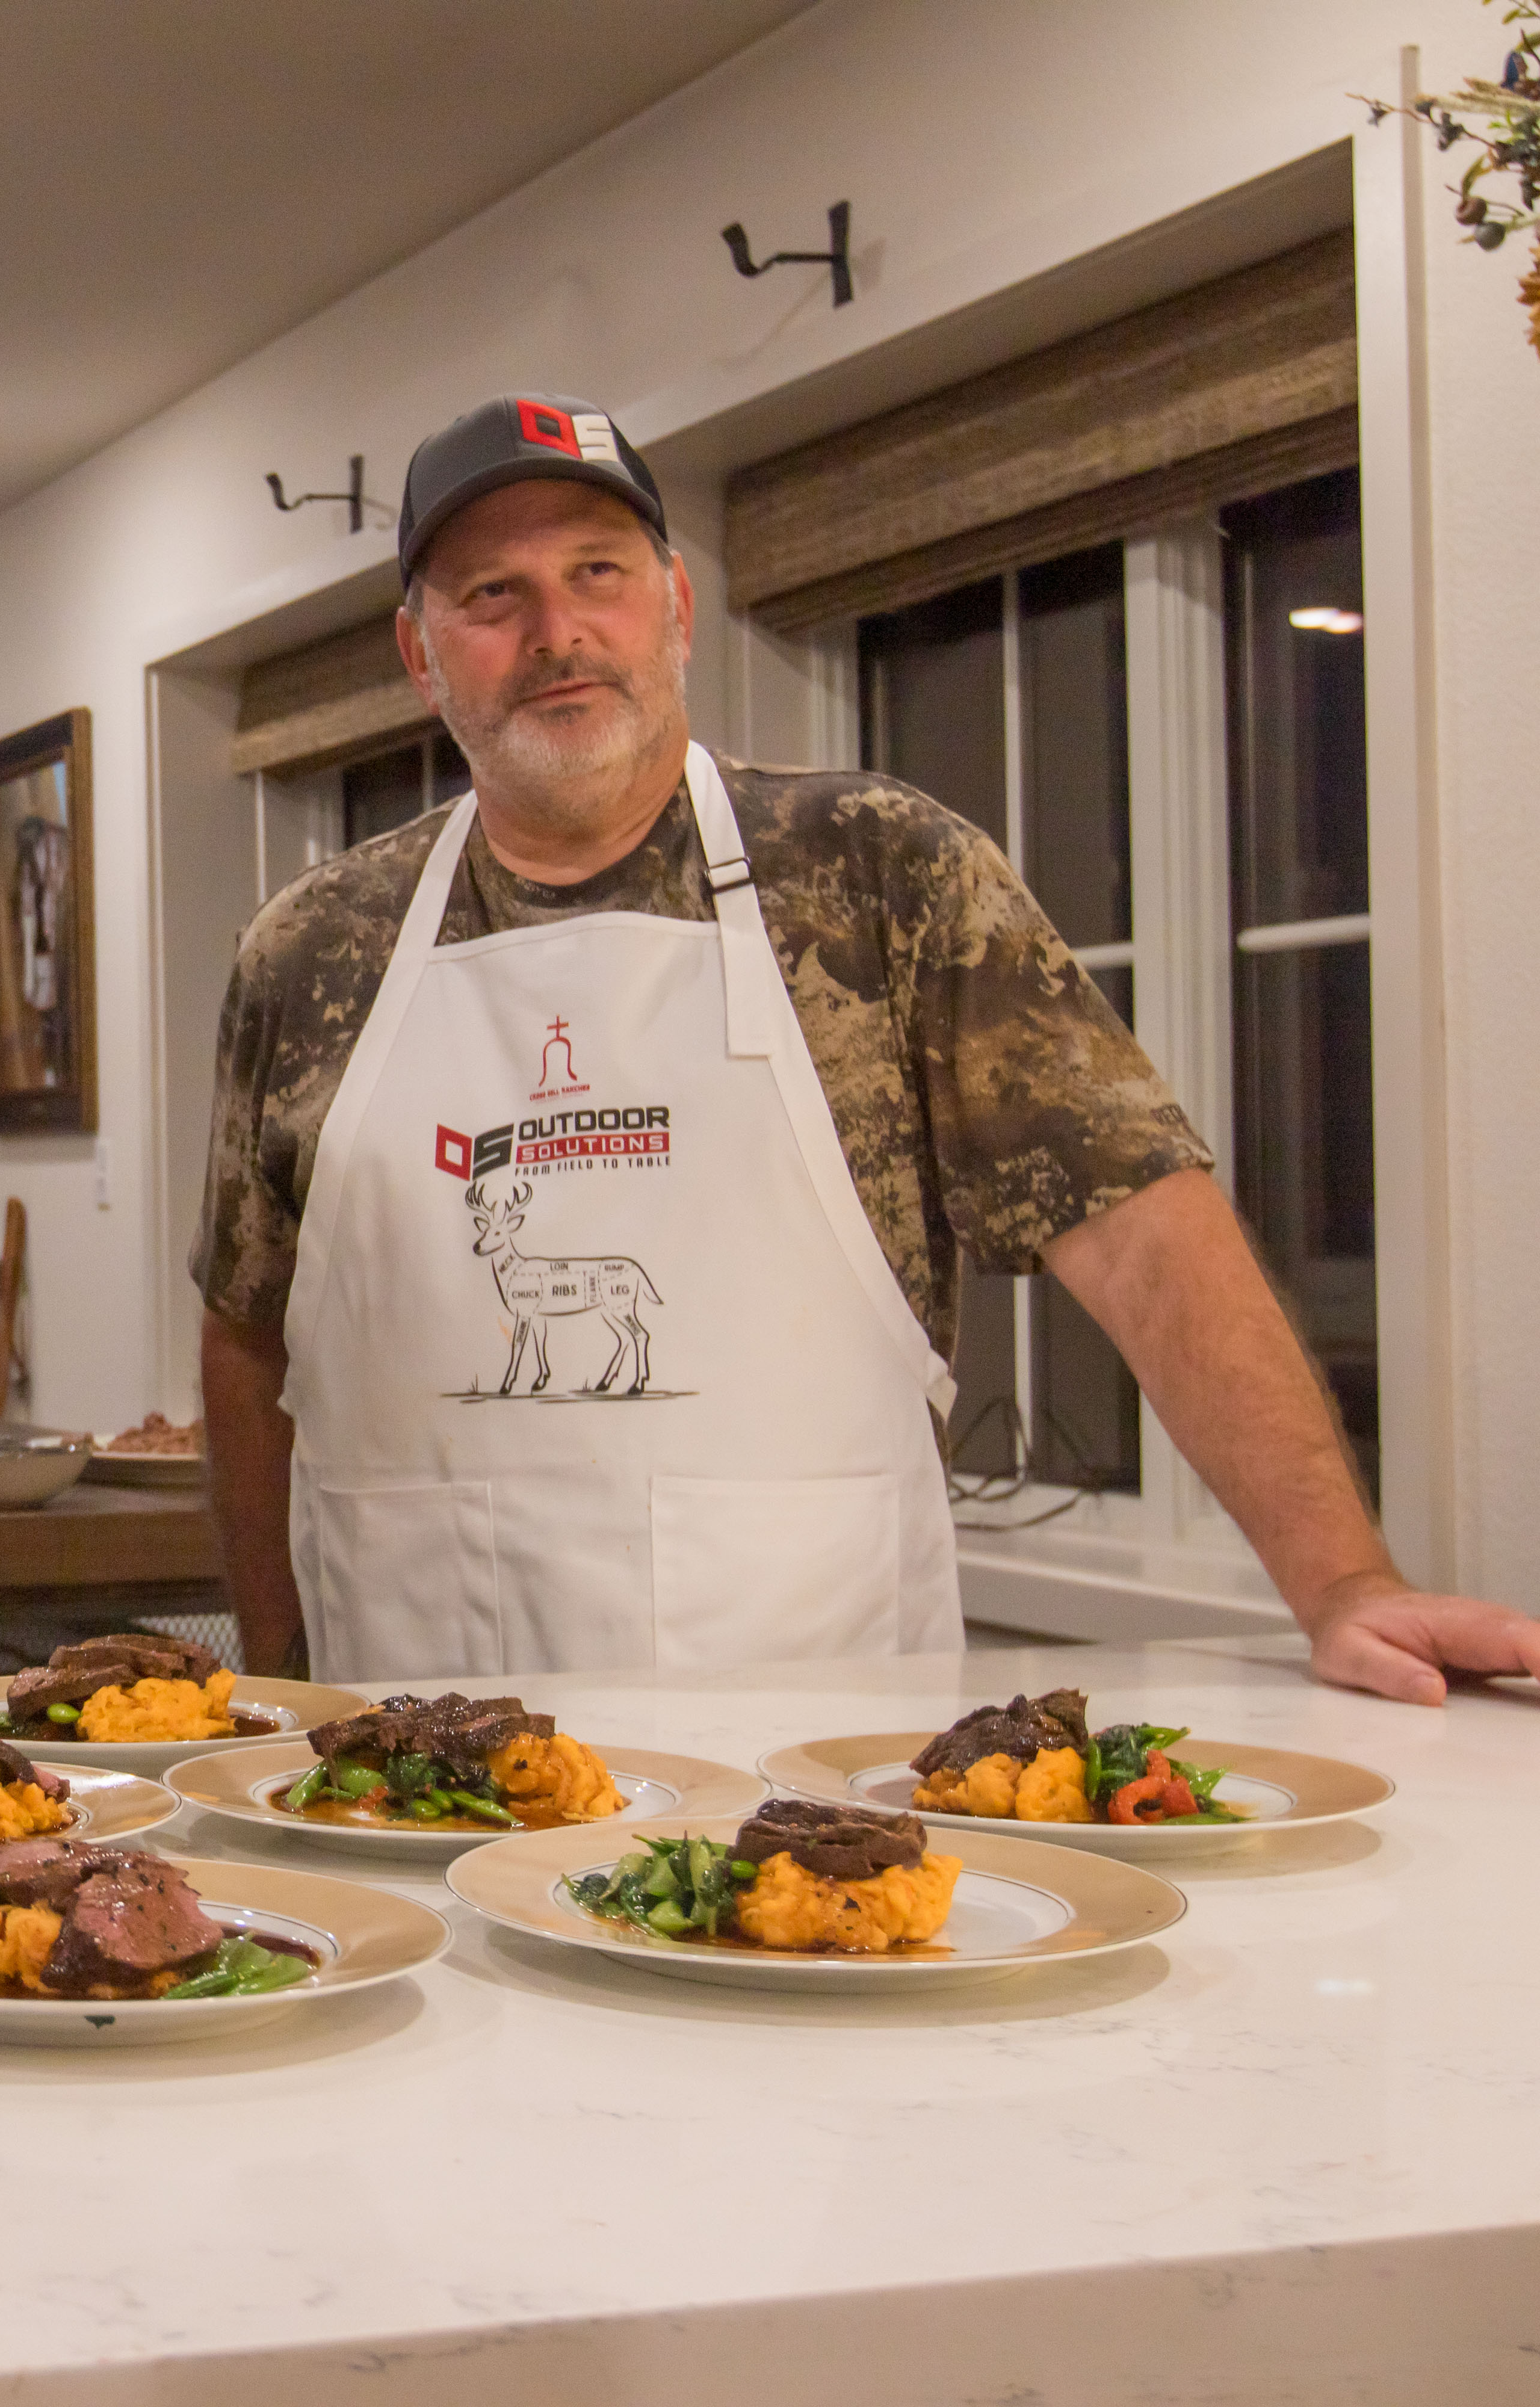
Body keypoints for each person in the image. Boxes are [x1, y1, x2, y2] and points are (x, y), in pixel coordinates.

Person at [196, 390, 1540, 1705]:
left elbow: (1142, 1232)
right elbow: (250, 1335)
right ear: (420, 654)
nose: (558, 632)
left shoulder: (879, 876)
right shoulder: (314, 950)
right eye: (493, 595)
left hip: (808, 1768)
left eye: (596, 572)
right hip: (401, 1772)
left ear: (672, 607)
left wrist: (1342, 1581)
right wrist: (271, 1689)